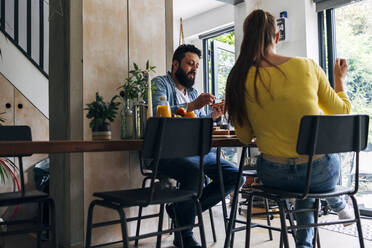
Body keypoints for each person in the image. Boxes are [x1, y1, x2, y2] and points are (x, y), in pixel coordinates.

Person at [225, 9, 353, 248]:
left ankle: (308, 240)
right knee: (312, 174)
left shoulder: (241, 78)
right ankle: (339, 205)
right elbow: (343, 111)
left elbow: (243, 137)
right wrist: (339, 79)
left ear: (247, 38)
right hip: (318, 174)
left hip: (274, 175)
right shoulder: (308, 67)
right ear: (276, 37)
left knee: (303, 183)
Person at [152, 44, 243, 248]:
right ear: (175, 64)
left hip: (198, 152)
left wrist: (214, 114)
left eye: (197, 65)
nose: (194, 69)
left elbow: (200, 123)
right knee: (194, 172)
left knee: (236, 176)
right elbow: (159, 113)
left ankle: (179, 212)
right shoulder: (160, 83)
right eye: (190, 64)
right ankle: (185, 234)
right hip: (167, 153)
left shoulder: (193, 94)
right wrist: (193, 106)